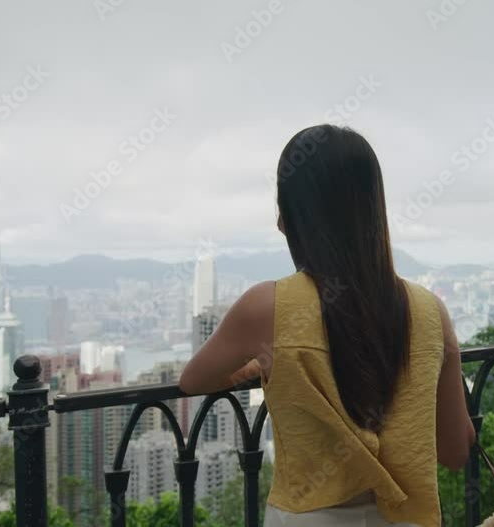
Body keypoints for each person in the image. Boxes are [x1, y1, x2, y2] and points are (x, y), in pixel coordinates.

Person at [179, 124, 476, 526]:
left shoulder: (267, 307)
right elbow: (456, 451)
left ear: (292, 216)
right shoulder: (430, 311)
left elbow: (194, 379)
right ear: (374, 209)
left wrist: (256, 366)